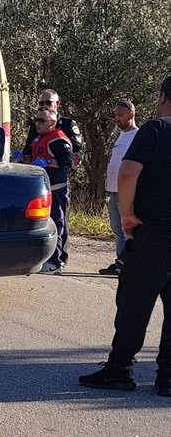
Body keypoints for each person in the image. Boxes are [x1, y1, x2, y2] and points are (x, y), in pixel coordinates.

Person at [79, 76, 171, 398]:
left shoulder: (156, 129)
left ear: (163, 98)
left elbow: (128, 171)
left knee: (134, 303)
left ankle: (119, 370)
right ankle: (168, 379)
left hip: (154, 234)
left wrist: (128, 214)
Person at [29, 108, 74, 273]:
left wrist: (47, 162)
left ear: (52, 123)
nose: (37, 123)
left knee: (57, 224)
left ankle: (56, 261)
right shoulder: (40, 138)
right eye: (36, 120)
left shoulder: (57, 140)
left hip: (57, 189)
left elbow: (69, 161)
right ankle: (46, 258)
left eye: (42, 121)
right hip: (44, 189)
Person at [99, 100, 138, 276]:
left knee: (127, 230)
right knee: (117, 229)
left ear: (131, 114)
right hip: (113, 190)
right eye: (115, 115)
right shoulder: (121, 135)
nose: (117, 119)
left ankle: (128, 264)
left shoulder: (138, 136)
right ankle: (120, 263)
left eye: (120, 115)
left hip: (126, 192)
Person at [23, 89, 84, 165]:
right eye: (41, 103)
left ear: (57, 103)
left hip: (59, 170)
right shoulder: (36, 124)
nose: (45, 106)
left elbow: (77, 149)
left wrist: (77, 156)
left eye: (48, 103)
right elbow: (29, 148)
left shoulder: (68, 124)